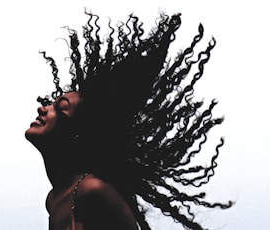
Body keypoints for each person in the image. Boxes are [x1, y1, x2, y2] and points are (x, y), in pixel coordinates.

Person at [25, 10, 233, 230]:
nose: (43, 108)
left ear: (76, 133)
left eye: (61, 108)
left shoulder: (92, 190)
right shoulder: (55, 199)